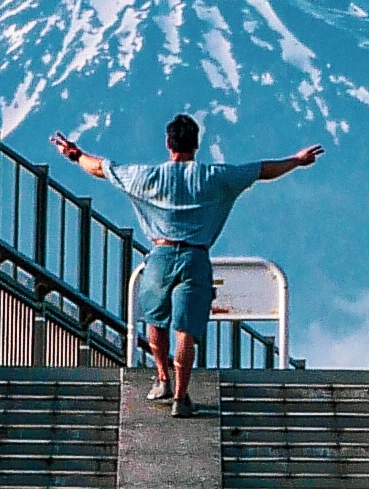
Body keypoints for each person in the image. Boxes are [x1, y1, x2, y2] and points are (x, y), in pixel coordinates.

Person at [51, 113, 322, 414]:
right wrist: (296, 160)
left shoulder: (146, 177)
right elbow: (261, 170)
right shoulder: (214, 178)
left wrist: (74, 154)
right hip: (195, 257)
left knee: (155, 320)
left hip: (160, 256)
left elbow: (101, 167)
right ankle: (181, 396)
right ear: (196, 145)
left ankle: (162, 377)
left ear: (168, 143)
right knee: (186, 331)